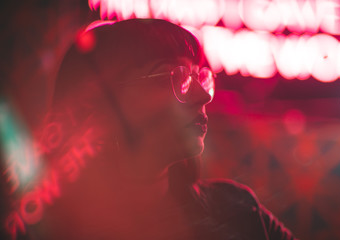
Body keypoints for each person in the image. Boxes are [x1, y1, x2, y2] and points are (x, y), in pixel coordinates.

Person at [29, 18, 297, 240]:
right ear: (103, 102)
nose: (203, 96)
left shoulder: (238, 210)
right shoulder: (47, 228)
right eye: (176, 77)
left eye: (199, 77)